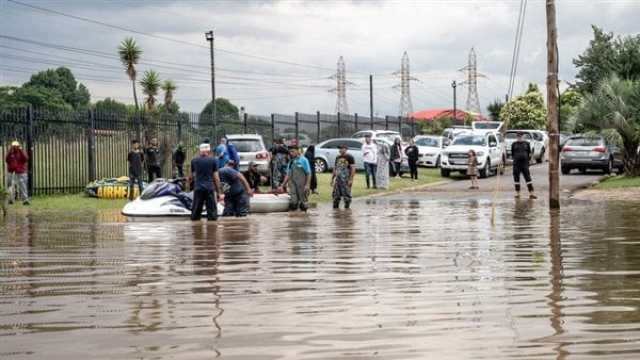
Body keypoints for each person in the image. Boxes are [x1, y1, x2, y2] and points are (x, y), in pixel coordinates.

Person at [190, 143, 223, 221]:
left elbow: (193, 176)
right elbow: (216, 178)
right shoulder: (213, 160)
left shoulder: (194, 161)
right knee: (212, 215)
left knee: (195, 214)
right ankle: (212, 230)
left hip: (198, 188)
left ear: (200, 151)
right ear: (209, 151)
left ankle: (196, 230)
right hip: (209, 188)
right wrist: (219, 192)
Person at [278, 146, 311, 211]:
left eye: (292, 151)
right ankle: (294, 218)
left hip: (302, 185)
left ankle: (304, 218)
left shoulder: (304, 160)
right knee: (293, 203)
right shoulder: (291, 162)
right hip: (292, 185)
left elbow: (308, 173)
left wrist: (307, 185)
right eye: (290, 152)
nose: (291, 153)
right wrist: (282, 186)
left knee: (303, 205)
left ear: (297, 151)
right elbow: (287, 175)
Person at [512, 132, 537, 199]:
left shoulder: (527, 144)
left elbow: (529, 153)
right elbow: (512, 154)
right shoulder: (514, 144)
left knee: (528, 178)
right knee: (516, 179)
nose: (519, 137)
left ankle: (531, 193)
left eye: (520, 136)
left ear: (523, 136)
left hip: (524, 164)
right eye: (518, 136)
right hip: (516, 164)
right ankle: (517, 194)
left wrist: (529, 161)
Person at [331, 144, 356, 209]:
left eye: (341, 148)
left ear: (345, 149)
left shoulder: (350, 157)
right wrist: (332, 179)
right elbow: (335, 168)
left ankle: (347, 211)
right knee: (335, 196)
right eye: (339, 148)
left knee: (347, 196)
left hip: (346, 180)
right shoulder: (337, 157)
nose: (340, 150)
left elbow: (353, 169)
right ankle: (336, 211)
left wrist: (351, 179)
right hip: (338, 180)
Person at [5, 141, 29, 205]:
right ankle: (10, 199)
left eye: (16, 146)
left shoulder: (21, 152)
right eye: (14, 146)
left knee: (23, 185)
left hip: (20, 171)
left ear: (18, 146)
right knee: (10, 185)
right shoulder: (10, 153)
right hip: (11, 171)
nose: (15, 147)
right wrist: (10, 151)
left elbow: (26, 159)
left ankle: (25, 200)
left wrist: (21, 150)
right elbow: (6, 160)